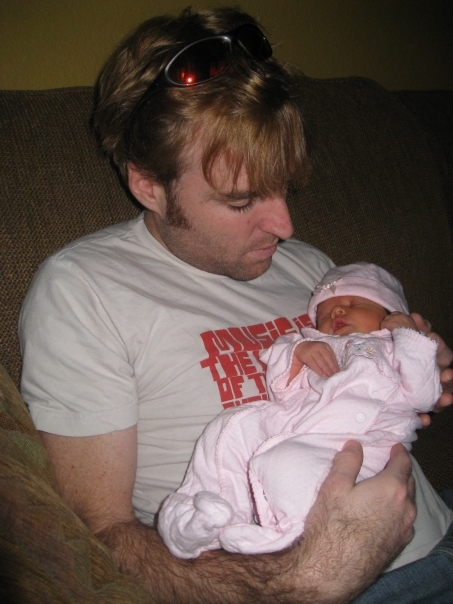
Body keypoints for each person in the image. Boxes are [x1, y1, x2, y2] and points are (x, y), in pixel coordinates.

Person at [18, 7, 453, 603]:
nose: (286, 226)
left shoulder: (312, 269)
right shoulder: (83, 291)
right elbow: (99, 537)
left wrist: (416, 363)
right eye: (243, 201)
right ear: (148, 185)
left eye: (284, 187)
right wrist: (301, 581)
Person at [158, 263, 453, 567]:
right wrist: (298, 353)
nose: (337, 312)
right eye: (325, 313)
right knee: (233, 426)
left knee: (285, 463)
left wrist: (409, 337)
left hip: (365, 442)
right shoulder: (309, 342)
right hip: (300, 425)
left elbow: (423, 395)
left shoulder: (396, 347)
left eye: (355, 303)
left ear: (390, 315)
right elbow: (281, 388)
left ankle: (288, 537)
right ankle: (202, 514)